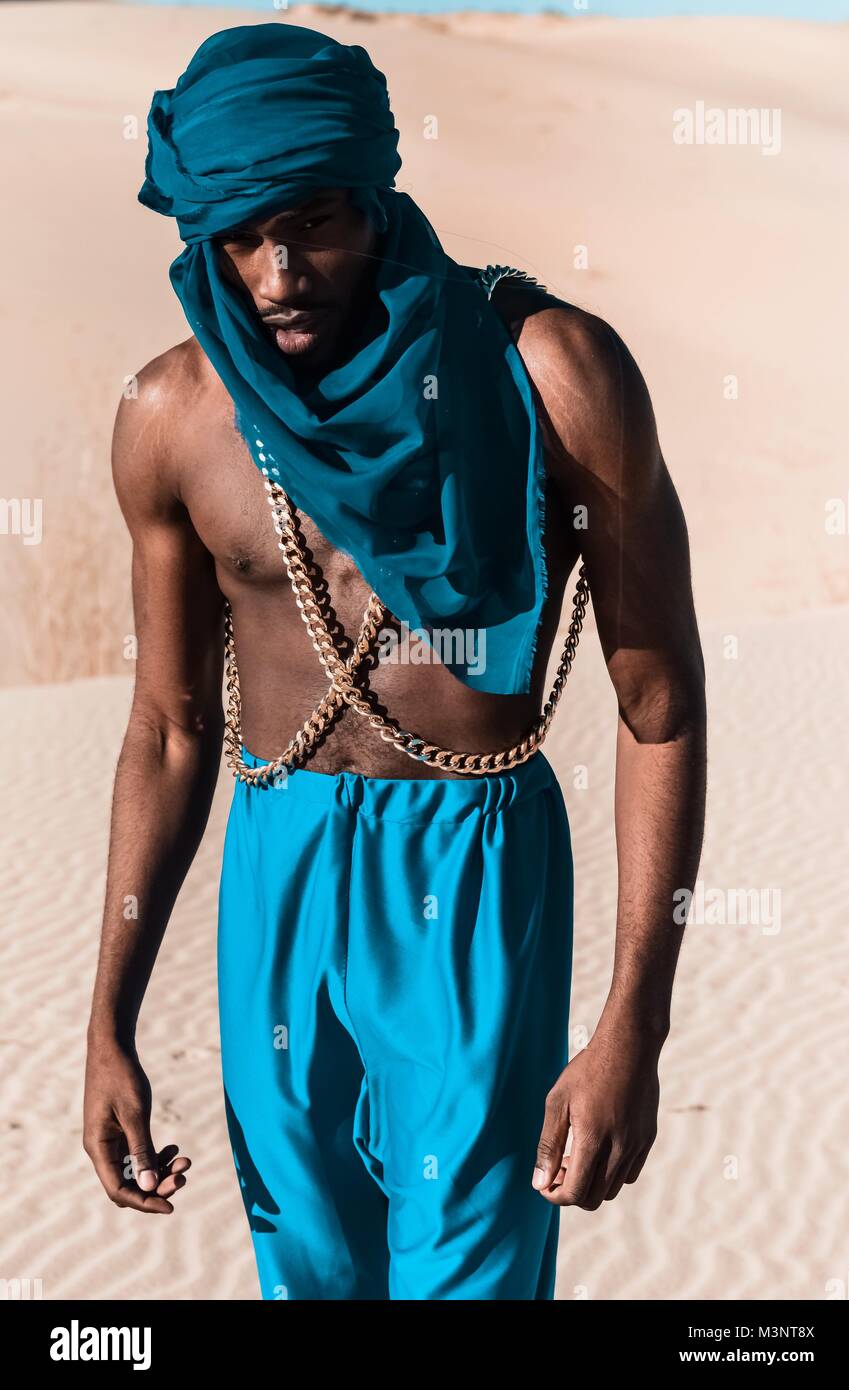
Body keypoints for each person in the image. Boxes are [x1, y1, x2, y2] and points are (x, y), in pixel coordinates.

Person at [83, 23, 706, 1301]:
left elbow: (659, 709)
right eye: (242, 235)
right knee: (302, 1273)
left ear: (377, 193)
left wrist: (633, 1027)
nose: (277, 273)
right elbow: (167, 727)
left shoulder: (553, 373)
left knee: (469, 1278)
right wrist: (107, 1023)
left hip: (475, 870)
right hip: (277, 860)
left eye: (312, 220)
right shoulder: (173, 418)